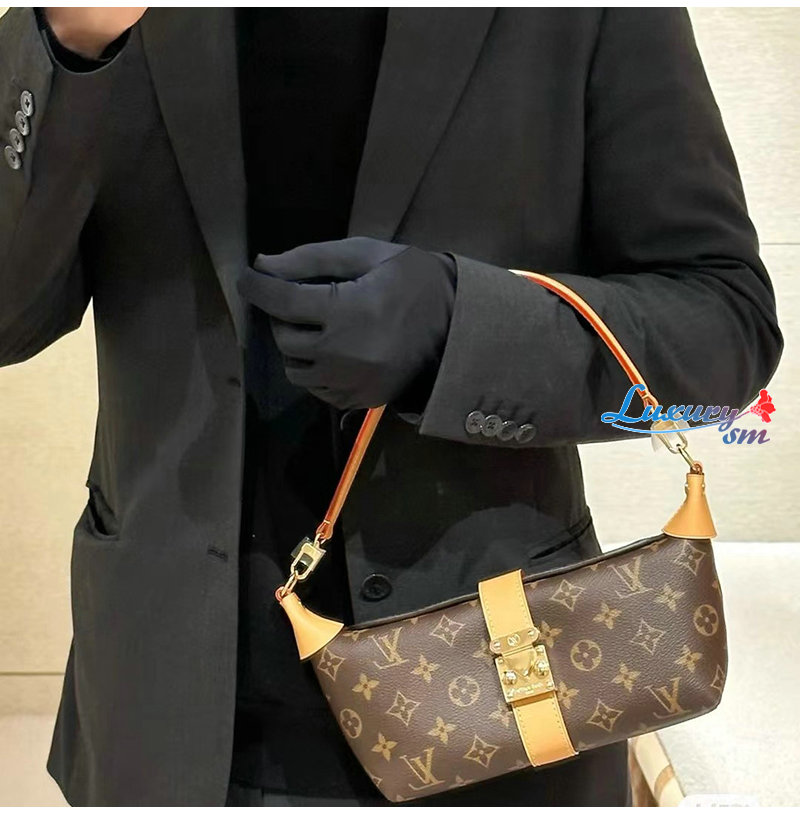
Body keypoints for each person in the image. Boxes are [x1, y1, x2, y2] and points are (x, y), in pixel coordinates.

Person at [0, 6, 782, 807]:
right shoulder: (91, 21)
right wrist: (69, 45)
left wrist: (459, 328)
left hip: (497, 705)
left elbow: (726, 328)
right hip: (165, 715)